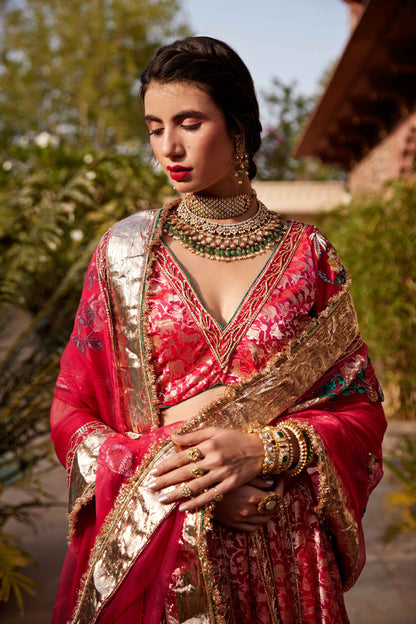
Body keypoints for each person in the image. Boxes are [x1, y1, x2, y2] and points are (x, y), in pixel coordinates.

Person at [50, 37, 386, 624]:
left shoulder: (309, 256)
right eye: (155, 128)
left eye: (189, 122)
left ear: (237, 126)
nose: (169, 148)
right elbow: (72, 413)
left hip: (283, 543)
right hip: (162, 548)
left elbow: (359, 408)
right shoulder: (125, 255)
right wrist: (194, 483)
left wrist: (262, 450)